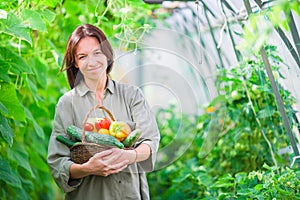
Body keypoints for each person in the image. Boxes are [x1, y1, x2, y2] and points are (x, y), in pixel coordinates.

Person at [47, 24, 160, 200]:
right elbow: (57, 162)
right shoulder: (67, 103)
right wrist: (87, 168)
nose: (92, 62)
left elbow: (150, 141)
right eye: (82, 56)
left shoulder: (132, 96)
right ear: (75, 63)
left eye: (97, 53)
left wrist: (129, 155)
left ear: (107, 54)